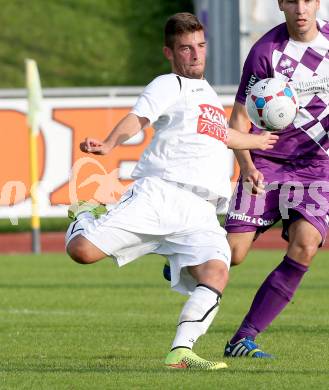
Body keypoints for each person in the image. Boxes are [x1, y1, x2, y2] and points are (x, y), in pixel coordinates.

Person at [65, 12, 277, 369]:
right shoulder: (168, 85)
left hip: (201, 212)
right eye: (185, 48)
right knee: (83, 252)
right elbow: (138, 118)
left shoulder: (207, 93)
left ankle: (181, 352)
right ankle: (84, 216)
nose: (195, 55)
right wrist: (109, 143)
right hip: (160, 195)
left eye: (200, 46)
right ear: (170, 53)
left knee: (216, 271)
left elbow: (222, 135)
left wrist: (253, 155)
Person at [223, 0, 329, 358]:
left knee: (306, 243)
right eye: (292, 0)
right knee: (232, 255)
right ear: (281, 4)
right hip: (266, 163)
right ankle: (186, 253)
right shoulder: (265, 51)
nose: (300, 8)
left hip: (317, 166)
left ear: (317, 3)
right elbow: (238, 119)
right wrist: (246, 165)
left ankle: (244, 337)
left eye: (307, 0)